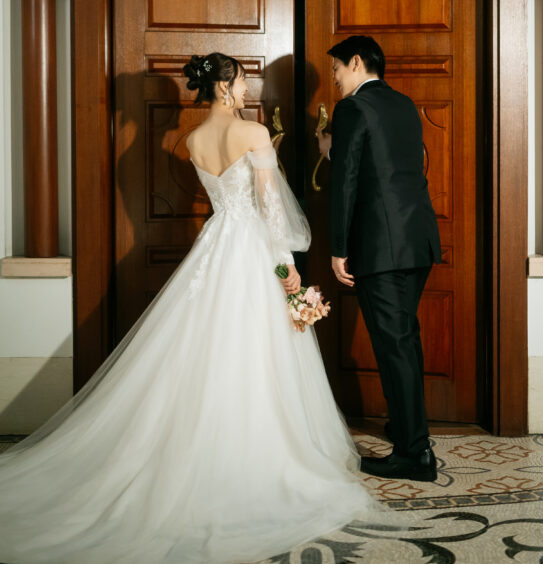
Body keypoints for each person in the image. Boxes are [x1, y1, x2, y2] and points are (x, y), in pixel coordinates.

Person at [0, 52, 379, 564]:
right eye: (240, 81)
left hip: (216, 247)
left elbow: (229, 202)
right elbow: (271, 210)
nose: (245, 88)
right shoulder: (254, 133)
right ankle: (252, 456)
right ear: (223, 86)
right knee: (256, 351)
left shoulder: (193, 141)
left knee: (202, 348)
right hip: (253, 250)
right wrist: (287, 267)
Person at [317, 35, 441, 481]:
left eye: (336, 69)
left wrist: (338, 248)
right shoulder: (404, 104)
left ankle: (414, 454)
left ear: (356, 62)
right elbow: (388, 164)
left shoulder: (352, 108)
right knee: (404, 341)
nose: (334, 78)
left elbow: (347, 179)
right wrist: (335, 147)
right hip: (418, 240)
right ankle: (406, 428)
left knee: (395, 346)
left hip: (380, 247)